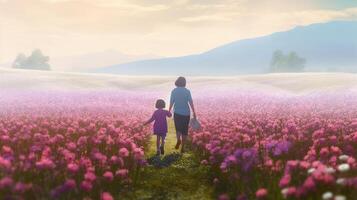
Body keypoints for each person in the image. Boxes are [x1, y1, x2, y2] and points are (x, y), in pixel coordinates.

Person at [169, 77, 196, 153]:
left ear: (177, 82)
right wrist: (194, 112)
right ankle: (183, 147)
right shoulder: (187, 91)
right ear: (184, 82)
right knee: (185, 130)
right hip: (186, 113)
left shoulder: (174, 91)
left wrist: (169, 111)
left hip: (177, 112)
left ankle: (178, 140)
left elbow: (171, 101)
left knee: (178, 128)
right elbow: (191, 102)